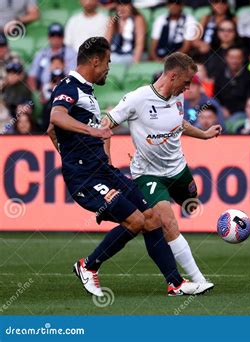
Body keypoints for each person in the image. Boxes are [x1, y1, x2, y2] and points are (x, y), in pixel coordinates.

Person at [46, 37, 206, 298]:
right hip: (85, 178)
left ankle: (175, 284)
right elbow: (56, 118)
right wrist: (83, 146)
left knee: (152, 216)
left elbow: (52, 131)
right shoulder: (69, 87)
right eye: (108, 62)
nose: (109, 67)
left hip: (104, 171)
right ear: (96, 61)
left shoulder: (86, 91)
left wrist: (71, 151)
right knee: (135, 220)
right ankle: (88, 265)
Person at [102, 52, 219, 290]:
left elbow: (179, 123)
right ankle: (197, 280)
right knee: (167, 221)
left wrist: (204, 135)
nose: (188, 89)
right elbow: (105, 125)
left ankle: (157, 219)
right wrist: (106, 164)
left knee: (191, 205)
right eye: (186, 83)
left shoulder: (177, 97)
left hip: (178, 168)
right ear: (173, 76)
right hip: (148, 174)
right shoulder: (137, 99)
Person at [28, 23, 76, 93]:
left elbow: (74, 77)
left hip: (65, 88)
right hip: (44, 90)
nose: (56, 38)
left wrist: (63, 68)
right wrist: (36, 93)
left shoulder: (71, 53)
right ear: (48, 37)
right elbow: (32, 76)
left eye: (59, 35)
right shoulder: (41, 54)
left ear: (63, 37)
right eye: (53, 35)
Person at [213, 45, 250, 119]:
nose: (234, 61)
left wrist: (232, 112)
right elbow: (215, 97)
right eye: (232, 57)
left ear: (243, 59)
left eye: (238, 58)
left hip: (243, 113)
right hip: (222, 112)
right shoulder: (219, 75)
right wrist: (221, 109)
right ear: (226, 58)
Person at [104, 0, 146, 64]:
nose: (122, 8)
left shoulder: (138, 19)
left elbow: (139, 44)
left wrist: (135, 63)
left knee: (115, 60)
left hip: (132, 54)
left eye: (125, 5)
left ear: (131, 6)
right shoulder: (113, 20)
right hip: (116, 53)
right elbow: (106, 42)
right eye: (119, 5)